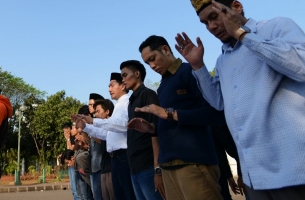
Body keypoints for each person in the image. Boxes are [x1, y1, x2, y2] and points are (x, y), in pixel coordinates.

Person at [175, 0, 305, 200]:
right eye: (205, 23)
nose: (211, 27)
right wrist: (198, 67)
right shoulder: (223, 59)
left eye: (214, 17)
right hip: (255, 175)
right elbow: (219, 102)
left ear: (236, 7)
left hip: (300, 169)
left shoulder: (275, 27)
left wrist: (242, 34)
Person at [130, 35, 225, 200]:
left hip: (194, 164)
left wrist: (169, 113)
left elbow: (214, 113)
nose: (152, 66)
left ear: (166, 49)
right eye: (147, 63)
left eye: (153, 59)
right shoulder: (162, 87)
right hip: (169, 168)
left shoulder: (189, 72)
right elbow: (170, 124)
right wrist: (151, 128)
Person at [74, 72, 137, 200]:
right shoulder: (119, 105)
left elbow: (123, 125)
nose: (109, 89)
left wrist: (92, 121)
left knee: (128, 195)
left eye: (112, 85)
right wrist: (85, 126)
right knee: (120, 196)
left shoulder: (127, 103)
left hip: (123, 156)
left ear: (123, 86)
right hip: (115, 158)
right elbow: (107, 134)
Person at [120, 60, 163, 200]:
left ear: (137, 74)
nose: (123, 80)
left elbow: (156, 132)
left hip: (148, 165)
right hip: (134, 166)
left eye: (125, 75)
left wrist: (158, 169)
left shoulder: (148, 95)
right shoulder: (131, 101)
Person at [93, 99, 115, 200]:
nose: (96, 114)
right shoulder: (101, 129)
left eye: (98, 111)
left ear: (107, 111)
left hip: (112, 168)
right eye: (95, 112)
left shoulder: (114, 127)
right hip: (104, 168)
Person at [88, 93, 105, 200]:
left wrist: (89, 129)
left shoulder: (102, 122)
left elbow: (104, 142)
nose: (89, 107)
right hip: (94, 166)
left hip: (101, 166)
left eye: (91, 104)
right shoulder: (92, 122)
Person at [63, 122, 81, 200]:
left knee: (76, 187)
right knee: (73, 188)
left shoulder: (73, 138)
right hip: (69, 165)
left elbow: (71, 150)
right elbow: (67, 151)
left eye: (65, 131)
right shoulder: (69, 138)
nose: (64, 133)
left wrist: (68, 139)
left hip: (73, 163)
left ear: (68, 129)